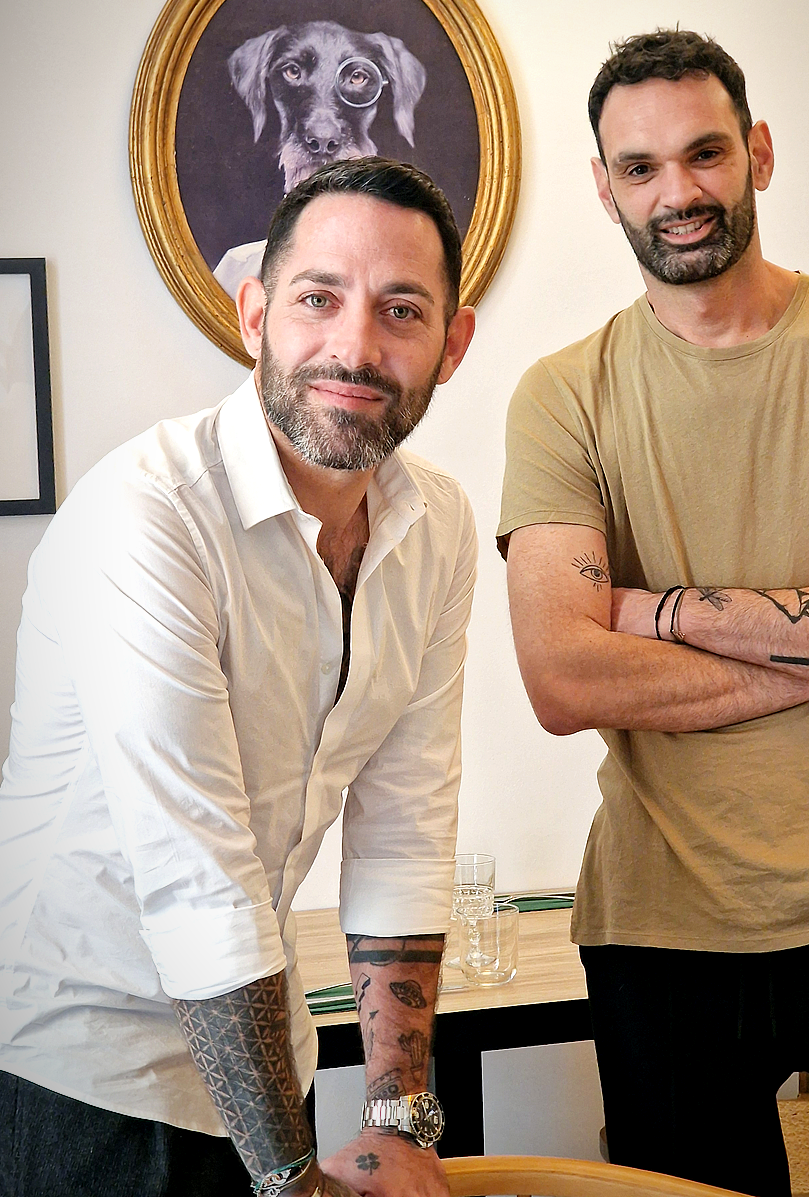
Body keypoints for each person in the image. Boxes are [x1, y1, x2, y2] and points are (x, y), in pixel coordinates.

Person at [499, 30, 809, 1196]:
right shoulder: (562, 398)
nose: (676, 191)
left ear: (758, 153)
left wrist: (656, 610)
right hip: (661, 930)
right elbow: (564, 676)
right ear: (604, 187)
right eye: (639, 167)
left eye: (705, 153)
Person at [0, 156, 478, 1197]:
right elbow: (197, 884)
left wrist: (397, 1116)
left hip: (263, 1060)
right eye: (318, 299)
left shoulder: (437, 524)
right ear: (255, 313)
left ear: (454, 343)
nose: (356, 346)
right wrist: (293, 1177)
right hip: (76, 1071)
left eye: (402, 310)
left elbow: (404, 823)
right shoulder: (148, 512)